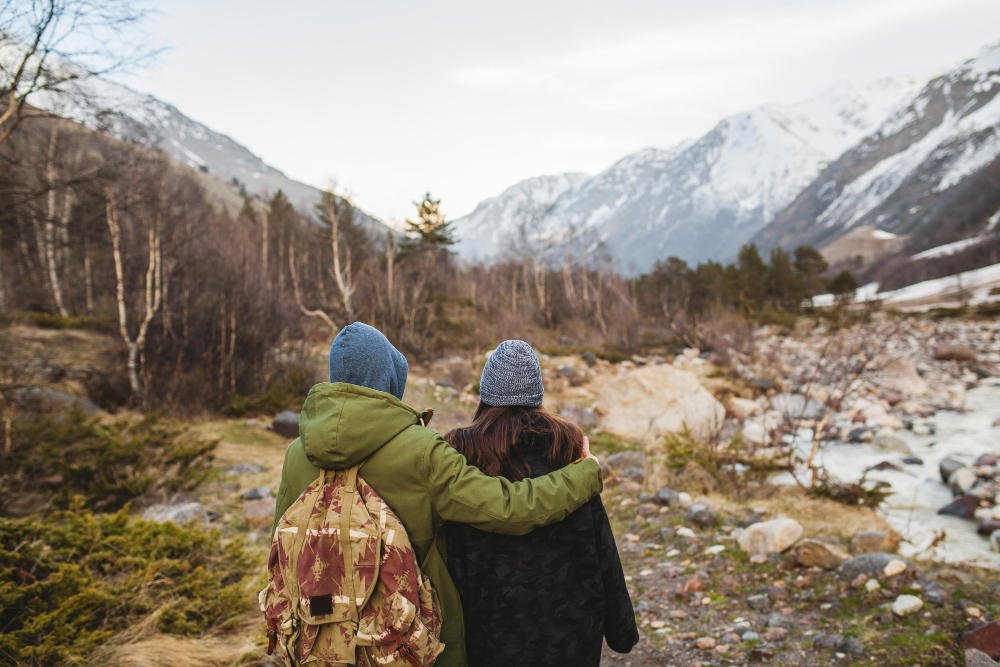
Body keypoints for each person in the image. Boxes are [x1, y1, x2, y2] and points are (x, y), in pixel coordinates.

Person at [270, 323, 604, 667]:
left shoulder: (297, 453)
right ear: (388, 378)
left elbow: (279, 551)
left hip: (317, 637)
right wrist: (585, 472)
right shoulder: (421, 450)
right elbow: (510, 508)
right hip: (407, 641)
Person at [443, 340, 638, 667]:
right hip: (571, 631)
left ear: (486, 392)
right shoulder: (568, 446)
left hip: (486, 632)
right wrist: (622, 630)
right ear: (537, 393)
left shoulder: (461, 452)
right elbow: (602, 542)